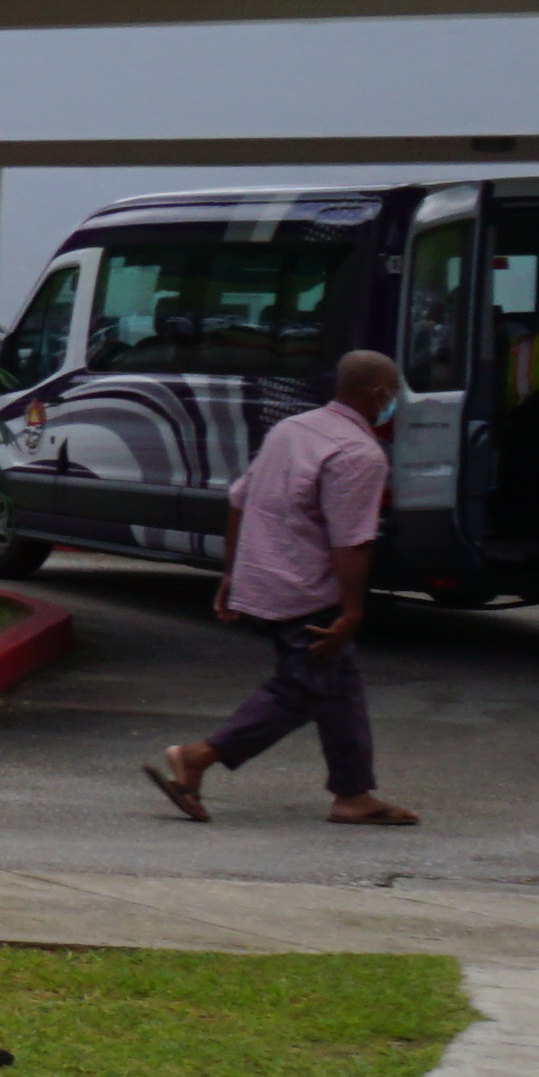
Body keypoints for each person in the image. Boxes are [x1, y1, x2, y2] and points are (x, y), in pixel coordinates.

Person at [153, 350, 417, 829]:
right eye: (393, 391)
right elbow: (351, 541)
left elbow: (239, 498)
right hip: (305, 590)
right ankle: (197, 757)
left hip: (264, 577)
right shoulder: (359, 454)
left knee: (339, 685)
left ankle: (353, 794)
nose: (394, 401)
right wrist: (353, 612)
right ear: (377, 393)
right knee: (302, 687)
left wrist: (232, 574)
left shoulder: (292, 429)